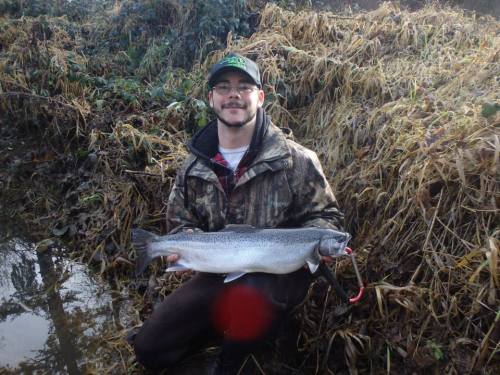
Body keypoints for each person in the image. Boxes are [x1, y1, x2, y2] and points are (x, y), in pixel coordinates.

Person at [131, 53, 344, 374]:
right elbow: (181, 221)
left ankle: (231, 361)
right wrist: (181, 243)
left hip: (278, 279)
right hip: (219, 271)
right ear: (211, 98)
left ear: (260, 97)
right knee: (149, 348)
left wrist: (320, 241)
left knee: (253, 293)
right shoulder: (193, 166)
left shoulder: (297, 159)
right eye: (223, 87)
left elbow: (327, 215)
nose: (234, 94)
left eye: (244, 87)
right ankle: (222, 333)